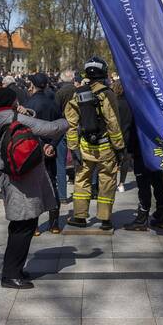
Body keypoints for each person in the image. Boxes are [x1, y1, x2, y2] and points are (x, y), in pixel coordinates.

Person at [0, 87, 68, 289]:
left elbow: (28, 121)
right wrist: (69, 121)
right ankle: (10, 275)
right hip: (22, 181)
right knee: (23, 227)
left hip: (11, 174)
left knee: (21, 225)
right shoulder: (15, 118)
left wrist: (25, 112)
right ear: (11, 102)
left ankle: (15, 269)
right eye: (15, 100)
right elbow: (49, 128)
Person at [64, 57, 124, 230]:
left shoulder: (78, 93)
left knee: (82, 180)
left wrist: (73, 147)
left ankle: (80, 217)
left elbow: (71, 123)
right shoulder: (107, 93)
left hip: (85, 147)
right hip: (106, 147)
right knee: (107, 180)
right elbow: (113, 122)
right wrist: (119, 147)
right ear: (104, 73)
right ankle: (105, 219)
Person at [121, 99, 163, 231]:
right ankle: (161, 215)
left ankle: (143, 218)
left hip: (143, 152)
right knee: (158, 183)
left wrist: (130, 150)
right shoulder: (157, 109)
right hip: (155, 152)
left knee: (144, 185)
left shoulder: (139, 110)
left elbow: (134, 133)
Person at [24, 73, 62, 234]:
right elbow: (60, 127)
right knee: (52, 184)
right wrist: (52, 145)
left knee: (34, 187)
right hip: (50, 150)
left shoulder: (29, 104)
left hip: (34, 150)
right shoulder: (53, 103)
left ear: (32, 86)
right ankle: (54, 224)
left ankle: (34, 226)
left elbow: (26, 130)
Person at [53, 69, 76, 204]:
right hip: (76, 127)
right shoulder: (78, 91)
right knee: (80, 162)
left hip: (62, 128)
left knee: (60, 163)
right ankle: (83, 191)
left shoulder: (59, 93)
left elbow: (56, 111)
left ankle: (62, 196)